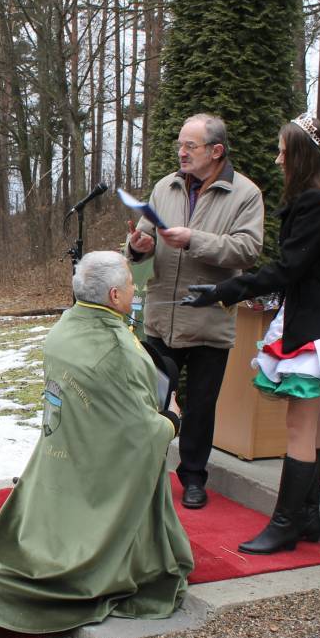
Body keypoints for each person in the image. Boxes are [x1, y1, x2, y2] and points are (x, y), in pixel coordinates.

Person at [0, 251, 193, 638]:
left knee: (41, 541)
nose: (136, 287)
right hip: (99, 476)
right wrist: (173, 420)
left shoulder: (64, 328)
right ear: (115, 296)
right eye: (131, 282)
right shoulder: (120, 351)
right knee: (116, 571)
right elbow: (141, 434)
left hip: (61, 461)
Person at [184, 115, 320, 554]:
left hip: (319, 320)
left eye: (283, 150)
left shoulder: (317, 202)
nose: (278, 158)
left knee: (300, 426)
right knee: (311, 425)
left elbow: (289, 268)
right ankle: (307, 517)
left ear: (300, 155)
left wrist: (224, 290)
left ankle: (285, 525)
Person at [126, 113, 264, 509]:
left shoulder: (245, 194)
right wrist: (138, 247)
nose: (182, 152)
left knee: (201, 407)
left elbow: (247, 251)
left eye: (191, 146)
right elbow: (141, 242)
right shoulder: (165, 187)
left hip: (208, 320)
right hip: (160, 317)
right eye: (180, 145)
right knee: (149, 401)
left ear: (216, 151)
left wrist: (193, 240)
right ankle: (144, 473)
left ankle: (193, 478)